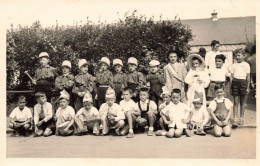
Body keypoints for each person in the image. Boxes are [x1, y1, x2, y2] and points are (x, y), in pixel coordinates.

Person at [230, 48, 250, 127]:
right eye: (236, 55)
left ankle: (241, 118)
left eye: (239, 55)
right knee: (235, 101)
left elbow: (248, 77)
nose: (237, 57)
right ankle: (235, 119)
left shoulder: (246, 65)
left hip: (243, 83)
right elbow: (231, 76)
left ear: (243, 56)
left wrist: (247, 87)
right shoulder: (233, 65)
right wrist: (231, 86)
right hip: (235, 82)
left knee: (243, 102)